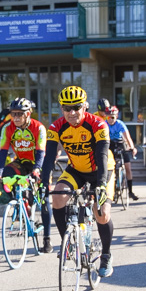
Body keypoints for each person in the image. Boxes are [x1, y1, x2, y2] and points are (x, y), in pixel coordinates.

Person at [40, 86, 115, 277]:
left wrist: (100, 186)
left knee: (102, 214)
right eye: (67, 108)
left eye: (76, 107)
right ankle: (68, 243)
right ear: (62, 108)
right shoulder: (56, 127)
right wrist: (43, 183)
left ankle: (106, 255)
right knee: (57, 197)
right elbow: (48, 158)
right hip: (77, 170)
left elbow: (102, 155)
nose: (72, 112)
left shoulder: (98, 124)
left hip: (102, 169)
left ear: (85, 106)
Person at [0, 97, 52, 253]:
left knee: (44, 199)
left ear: (28, 113)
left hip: (39, 164)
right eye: (13, 114)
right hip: (22, 162)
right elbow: (3, 152)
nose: (16, 117)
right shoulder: (8, 128)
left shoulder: (38, 128)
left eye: (20, 114)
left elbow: (41, 153)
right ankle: (20, 203)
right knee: (6, 173)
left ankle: (47, 238)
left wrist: (37, 170)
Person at [95, 98, 139, 201]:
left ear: (117, 116)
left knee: (128, 167)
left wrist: (132, 147)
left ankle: (130, 192)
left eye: (113, 117)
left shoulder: (120, 124)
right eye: (109, 117)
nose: (111, 119)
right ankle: (112, 189)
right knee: (109, 165)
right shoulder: (104, 124)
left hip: (120, 144)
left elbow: (127, 137)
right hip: (109, 144)